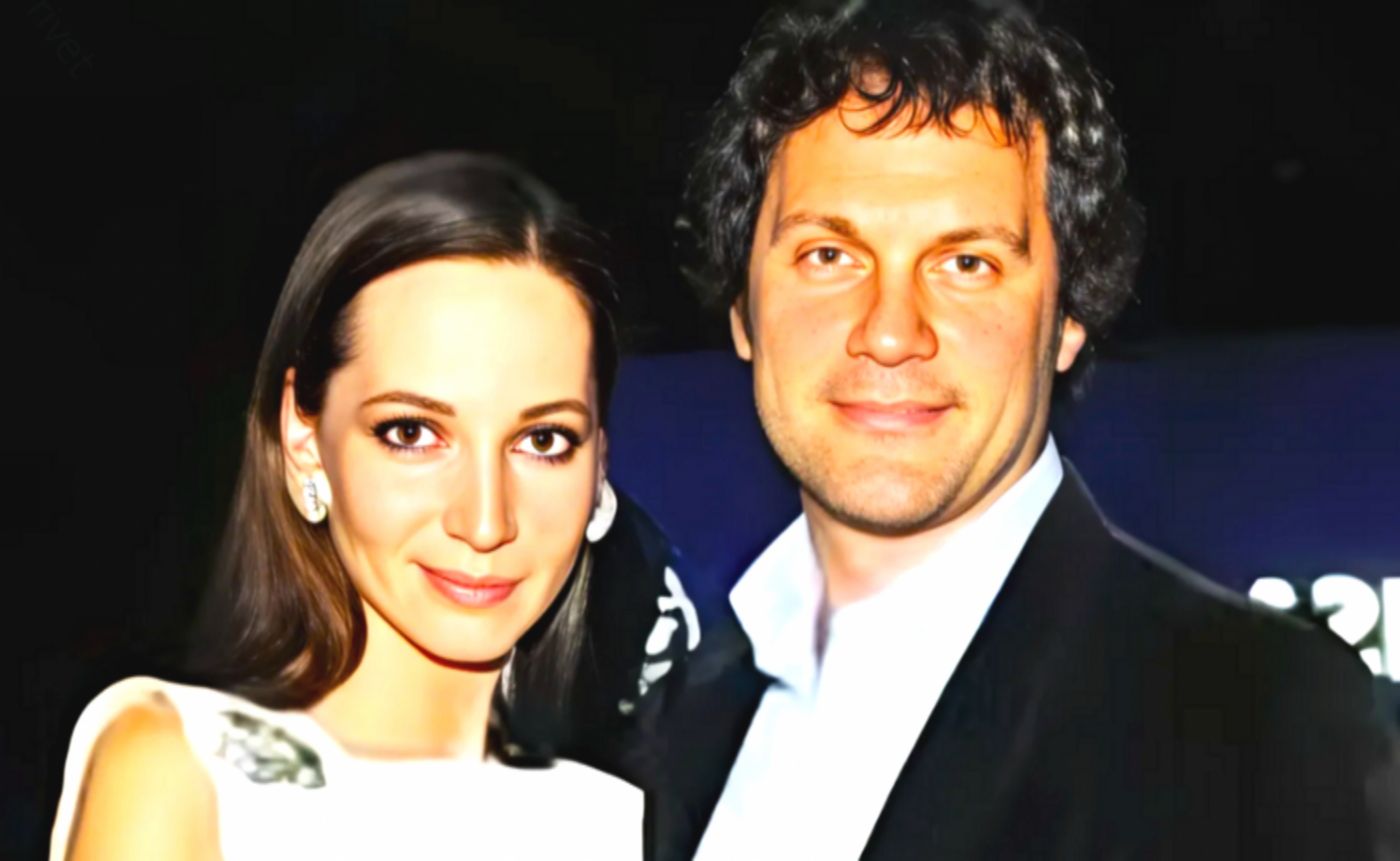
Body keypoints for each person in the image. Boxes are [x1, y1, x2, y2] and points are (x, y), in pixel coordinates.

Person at [654, 7, 1383, 859]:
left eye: (967, 264)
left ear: (1069, 315)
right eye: (829, 255)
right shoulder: (672, 724)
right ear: (744, 307)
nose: (889, 331)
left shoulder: (1253, 721)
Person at [50, 152, 652, 860]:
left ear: (598, 463)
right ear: (305, 439)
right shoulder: (183, 770)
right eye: (412, 433)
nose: (486, 521)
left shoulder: (622, 826)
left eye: (543, 440)